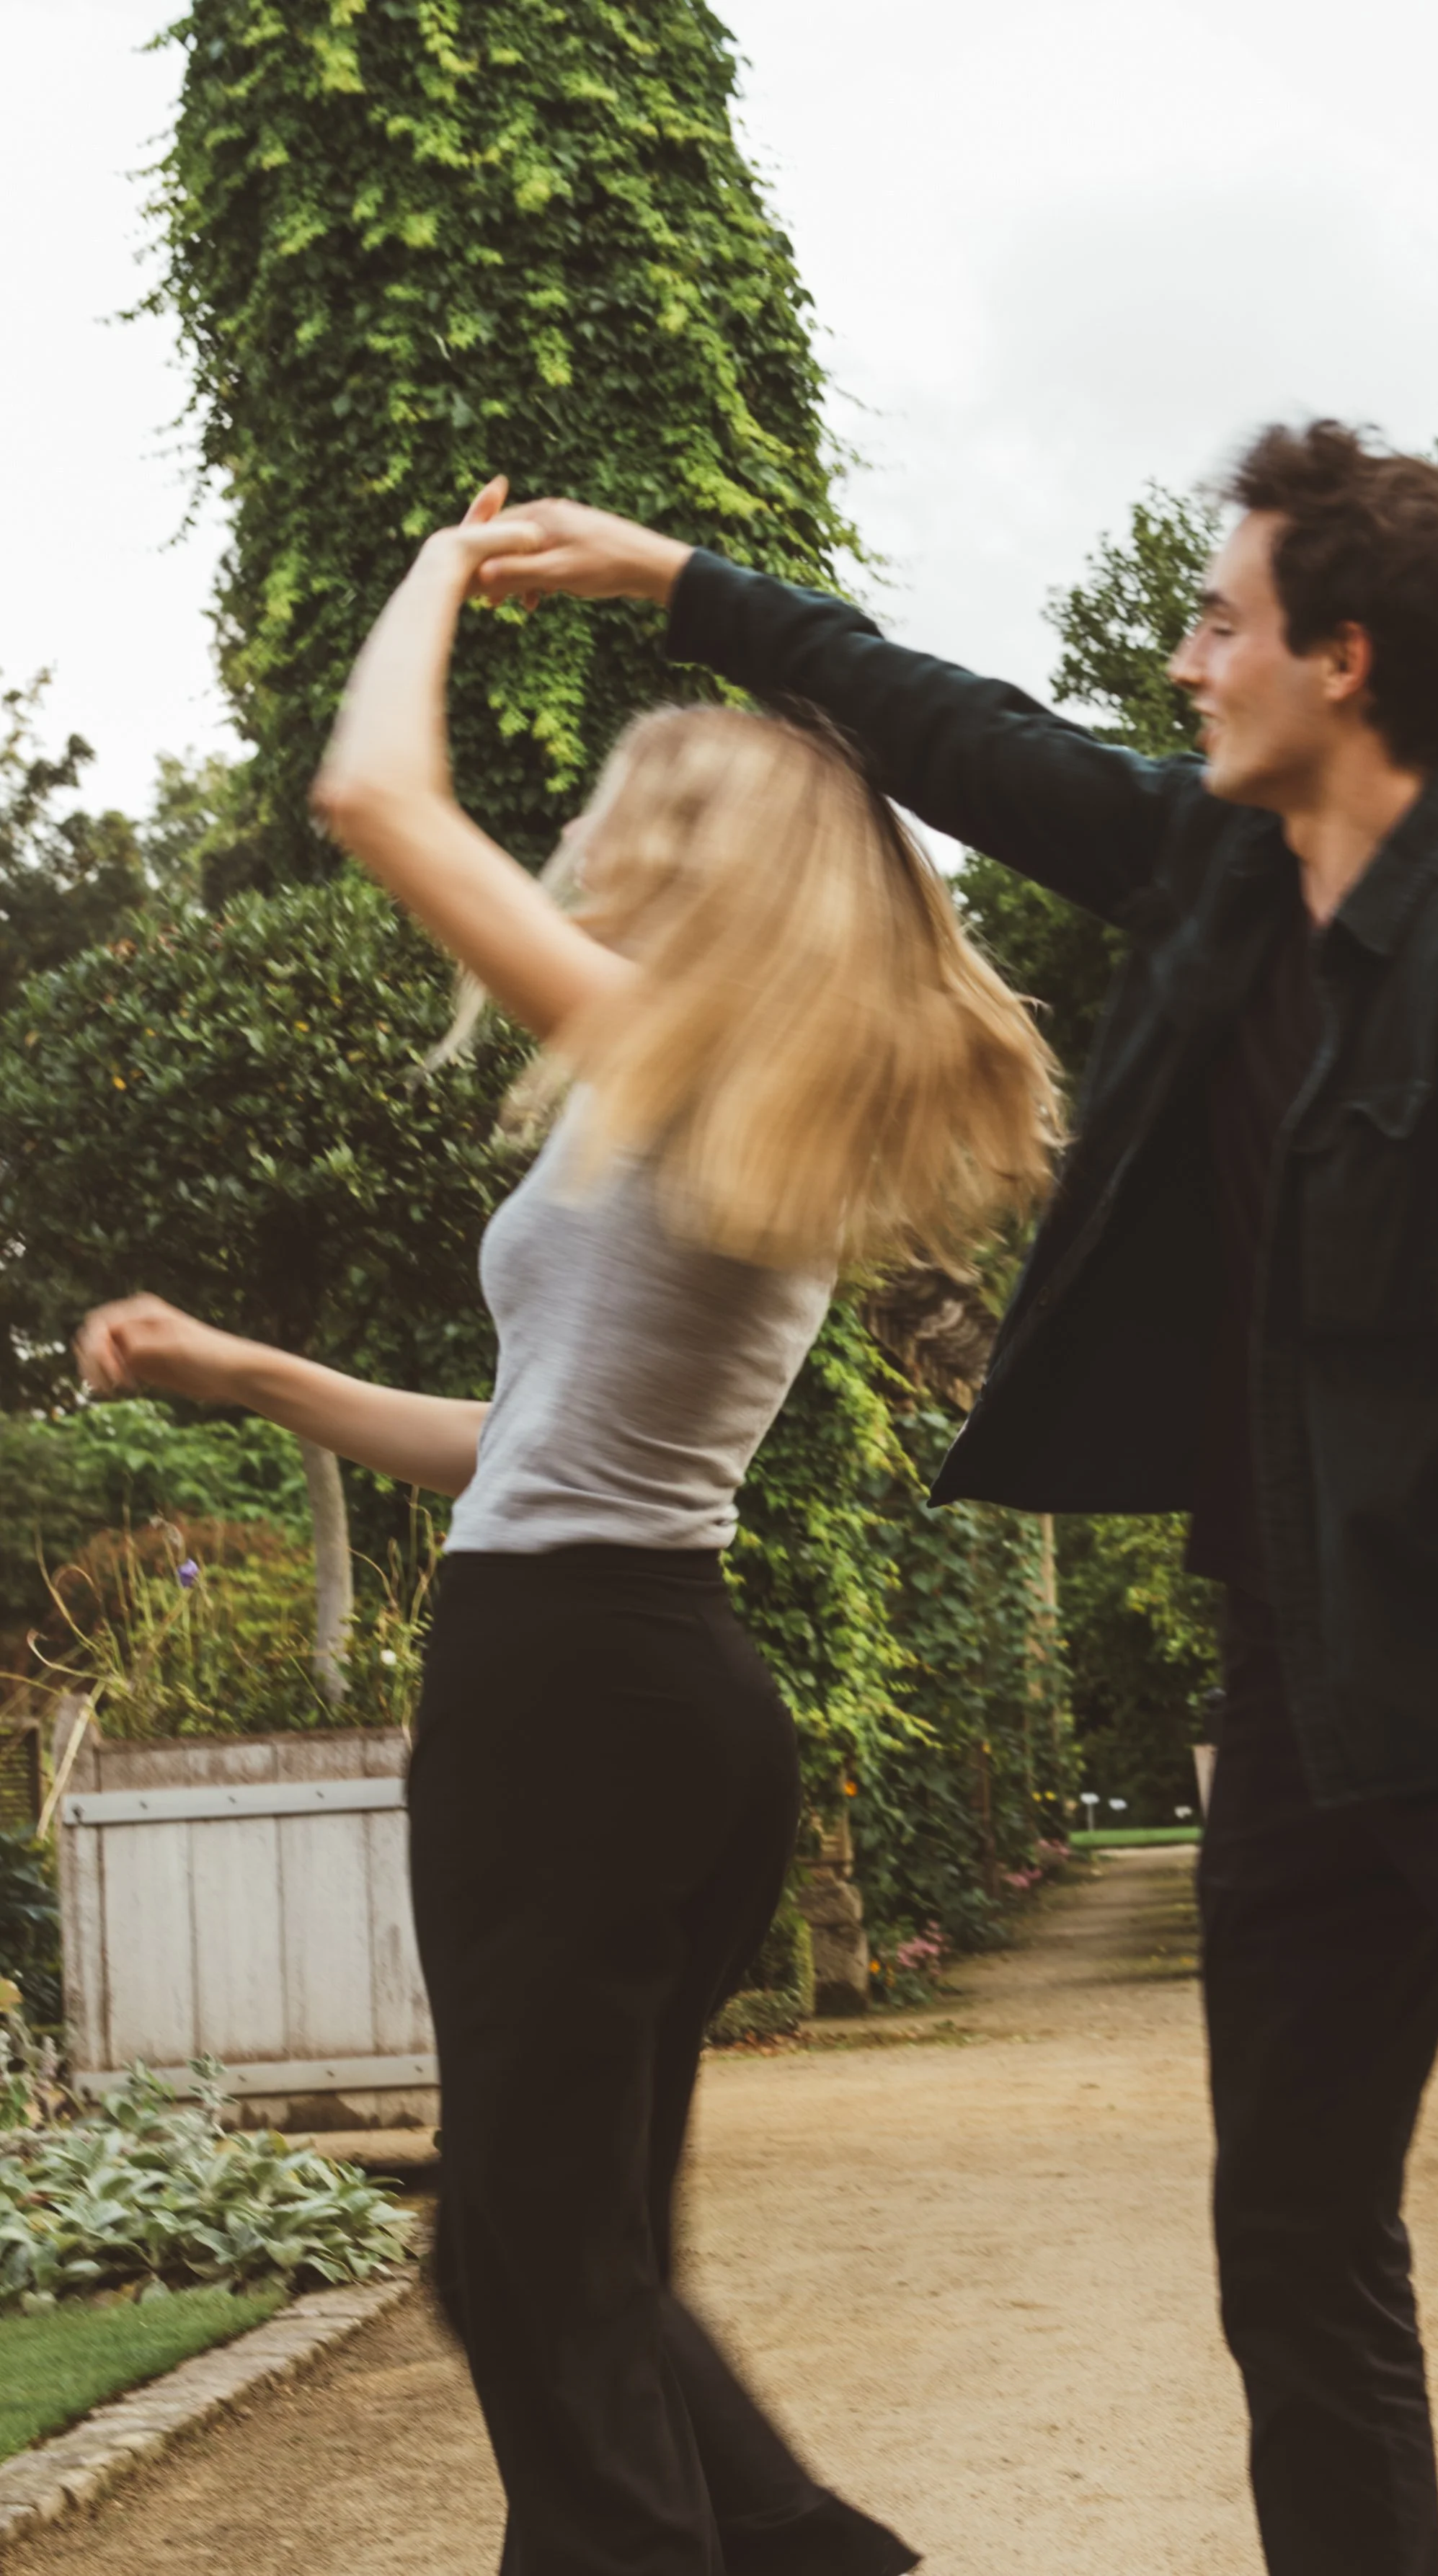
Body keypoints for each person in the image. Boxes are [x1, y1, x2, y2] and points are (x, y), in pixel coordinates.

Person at [468, 426, 1438, 2573]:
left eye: (1219, 622)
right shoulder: (1230, 872)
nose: (1181, 660)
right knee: (1294, 2250)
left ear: (1340, 662)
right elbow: (961, 733)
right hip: (1308, 1710)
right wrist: (678, 578)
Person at [76, 481, 1060, 2576]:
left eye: (625, 818)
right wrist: (247, 1374)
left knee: (546, 2267)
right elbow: (526, 1443)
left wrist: (435, 561)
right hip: (646, 1682)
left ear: (699, 865)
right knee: (557, 2262)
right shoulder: (715, 1115)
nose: (586, 849)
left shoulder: (679, 1069)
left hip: (571, 1702)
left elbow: (371, 792)